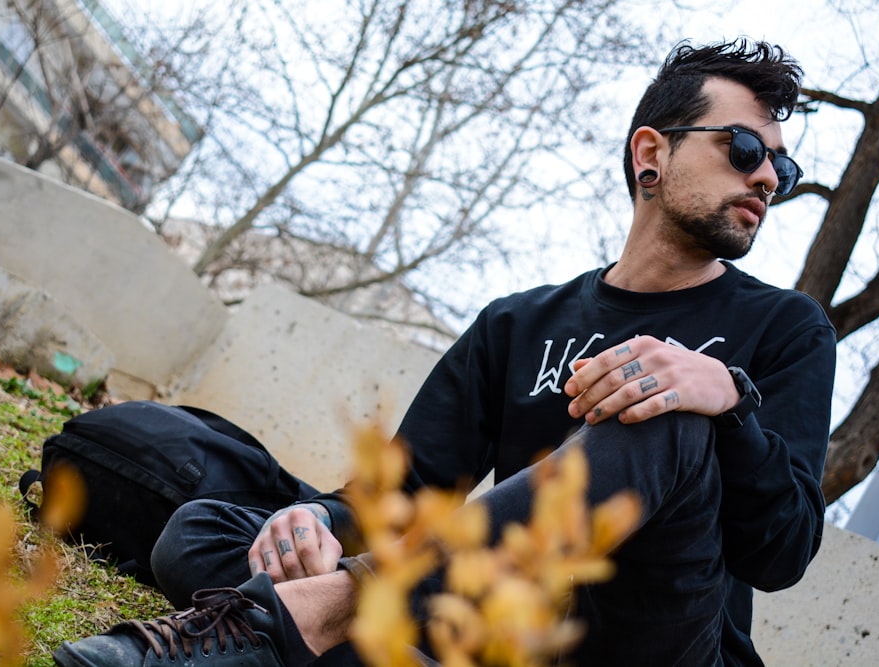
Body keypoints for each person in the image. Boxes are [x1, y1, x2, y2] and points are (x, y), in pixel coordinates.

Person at [53, 37, 836, 667]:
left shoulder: (787, 330)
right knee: (205, 532)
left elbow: (784, 551)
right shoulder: (518, 323)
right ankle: (329, 614)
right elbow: (402, 493)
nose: (768, 176)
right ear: (651, 154)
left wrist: (726, 399)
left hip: (647, 642)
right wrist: (314, 519)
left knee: (662, 403)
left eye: (782, 166)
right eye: (742, 147)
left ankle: (297, 620)